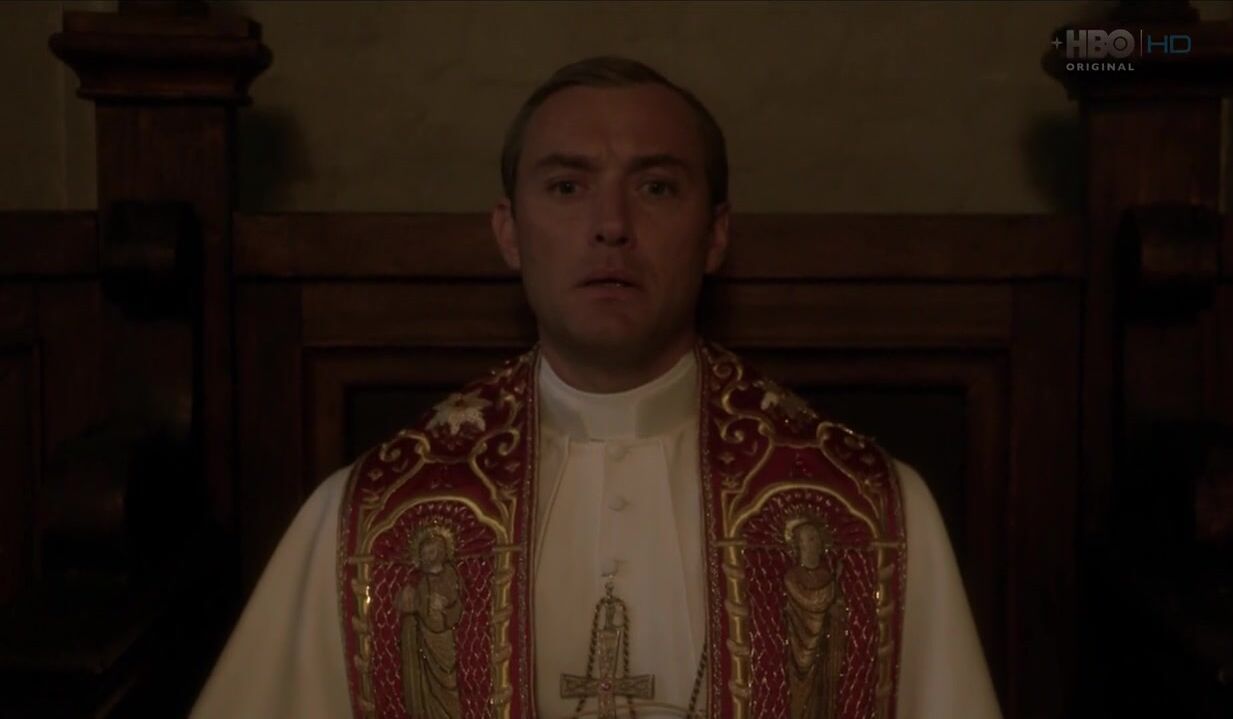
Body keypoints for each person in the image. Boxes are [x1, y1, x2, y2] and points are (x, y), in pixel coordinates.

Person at [191, 56, 1001, 719]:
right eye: (566, 186)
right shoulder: (368, 516)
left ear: (715, 234)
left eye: (656, 187)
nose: (611, 224)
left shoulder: (868, 511)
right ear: (509, 231)